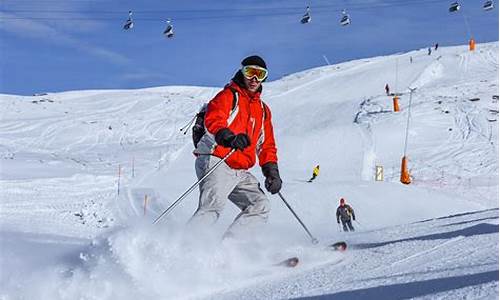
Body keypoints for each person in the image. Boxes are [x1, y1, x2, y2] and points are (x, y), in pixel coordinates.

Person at [190, 55, 282, 237]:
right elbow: (214, 118)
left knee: (259, 205)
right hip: (217, 158)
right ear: (242, 72)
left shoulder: (263, 110)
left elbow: (267, 145)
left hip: (240, 169)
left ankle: (230, 250)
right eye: (250, 72)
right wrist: (228, 137)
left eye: (260, 74)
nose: (254, 79)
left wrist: (272, 172)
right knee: (212, 206)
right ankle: (181, 251)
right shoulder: (229, 96)